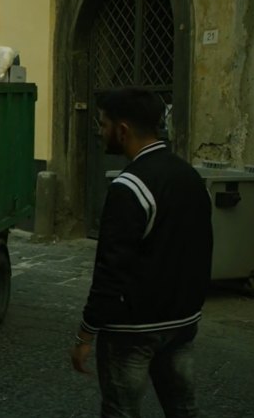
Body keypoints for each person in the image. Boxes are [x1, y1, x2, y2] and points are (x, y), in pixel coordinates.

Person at [70, 88, 213, 417]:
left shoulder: (128, 187)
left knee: (122, 410)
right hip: (182, 321)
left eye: (103, 125)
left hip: (132, 330)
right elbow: (202, 248)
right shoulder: (189, 176)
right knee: (182, 408)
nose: (100, 132)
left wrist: (85, 333)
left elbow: (111, 269)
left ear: (122, 130)